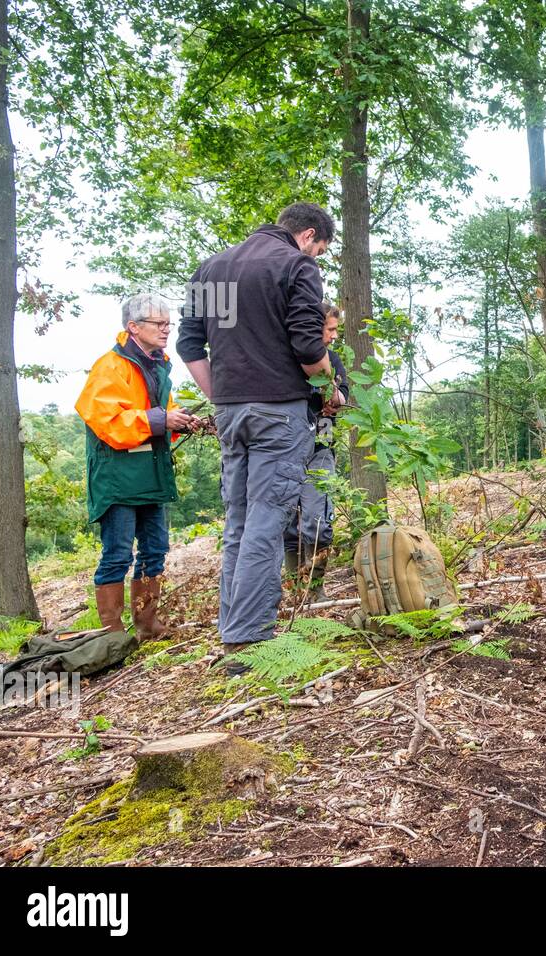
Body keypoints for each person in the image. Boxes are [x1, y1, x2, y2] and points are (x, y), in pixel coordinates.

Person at [176, 202, 335, 670]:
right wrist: (331, 391)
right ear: (308, 236)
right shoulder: (294, 264)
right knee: (267, 521)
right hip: (279, 413)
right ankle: (248, 643)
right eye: (321, 250)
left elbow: (190, 343)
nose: (318, 257)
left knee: (240, 521)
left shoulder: (215, 269)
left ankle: (234, 631)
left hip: (231, 412)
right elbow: (308, 344)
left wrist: (223, 396)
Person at [76, 294, 197, 639]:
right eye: (159, 324)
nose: (166, 330)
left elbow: (162, 414)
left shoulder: (159, 366)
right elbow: (109, 422)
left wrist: (182, 421)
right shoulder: (109, 367)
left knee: (155, 550)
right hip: (118, 478)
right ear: (133, 327)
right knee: (116, 554)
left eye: (168, 323)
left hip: (151, 475)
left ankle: (147, 626)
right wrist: (162, 418)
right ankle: (111, 634)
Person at [283, 301, 348, 597]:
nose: (334, 335)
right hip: (286, 446)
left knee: (318, 519)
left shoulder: (332, 360)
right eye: (330, 329)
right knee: (288, 524)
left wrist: (335, 397)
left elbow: (343, 395)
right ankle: (297, 588)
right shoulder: (285, 356)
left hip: (321, 445)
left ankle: (316, 588)